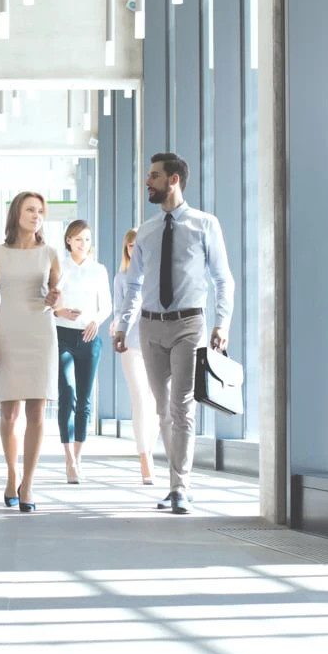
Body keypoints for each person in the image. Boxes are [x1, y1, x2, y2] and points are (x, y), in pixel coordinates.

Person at [112, 153, 234, 514]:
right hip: (149, 327)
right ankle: (175, 484)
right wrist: (122, 326)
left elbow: (223, 279)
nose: (147, 182)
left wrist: (222, 323)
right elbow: (133, 285)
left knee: (182, 407)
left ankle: (180, 486)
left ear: (174, 180)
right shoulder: (147, 230)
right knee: (162, 409)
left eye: (154, 177)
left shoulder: (205, 225)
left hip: (189, 324)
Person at [0, 191, 61, 512]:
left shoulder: (51, 254)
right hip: (8, 332)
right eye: (30, 209)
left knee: (37, 414)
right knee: (8, 414)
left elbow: (58, 296)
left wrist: (57, 299)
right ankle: (12, 472)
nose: (36, 215)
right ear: (16, 213)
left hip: (40, 333)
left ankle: (28, 482)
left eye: (40, 211)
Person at [53, 219, 112, 483]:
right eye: (78, 239)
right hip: (61, 335)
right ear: (68, 240)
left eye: (87, 239)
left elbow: (107, 305)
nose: (83, 244)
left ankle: (78, 457)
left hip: (89, 337)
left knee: (85, 401)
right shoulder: (58, 267)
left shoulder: (98, 270)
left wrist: (95, 321)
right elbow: (48, 300)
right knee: (67, 394)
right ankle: (68, 460)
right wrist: (59, 311)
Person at [110, 228, 159, 485]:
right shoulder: (121, 278)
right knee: (140, 399)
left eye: (137, 245)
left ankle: (149, 447)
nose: (134, 249)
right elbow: (119, 308)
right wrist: (117, 323)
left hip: (156, 343)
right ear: (126, 249)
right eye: (130, 245)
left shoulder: (155, 276)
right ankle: (145, 457)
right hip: (130, 343)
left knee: (157, 403)